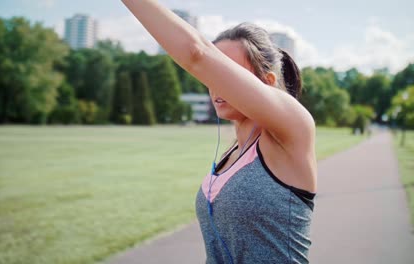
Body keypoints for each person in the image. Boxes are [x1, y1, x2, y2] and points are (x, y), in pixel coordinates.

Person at [120, 1, 317, 263]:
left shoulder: (293, 129)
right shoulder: (233, 153)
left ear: (267, 83)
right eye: (213, 76)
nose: (215, 84)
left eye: (226, 74)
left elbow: (196, 53)